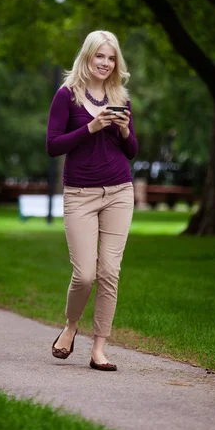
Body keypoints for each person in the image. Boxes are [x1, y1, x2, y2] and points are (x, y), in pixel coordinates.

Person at [46, 30, 138, 372]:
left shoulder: (120, 96)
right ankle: (71, 326)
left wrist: (125, 131)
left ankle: (99, 348)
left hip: (118, 192)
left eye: (111, 58)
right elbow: (53, 146)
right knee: (85, 275)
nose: (105, 63)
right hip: (80, 195)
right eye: (100, 56)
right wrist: (92, 127)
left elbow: (132, 151)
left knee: (110, 271)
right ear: (87, 56)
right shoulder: (66, 96)